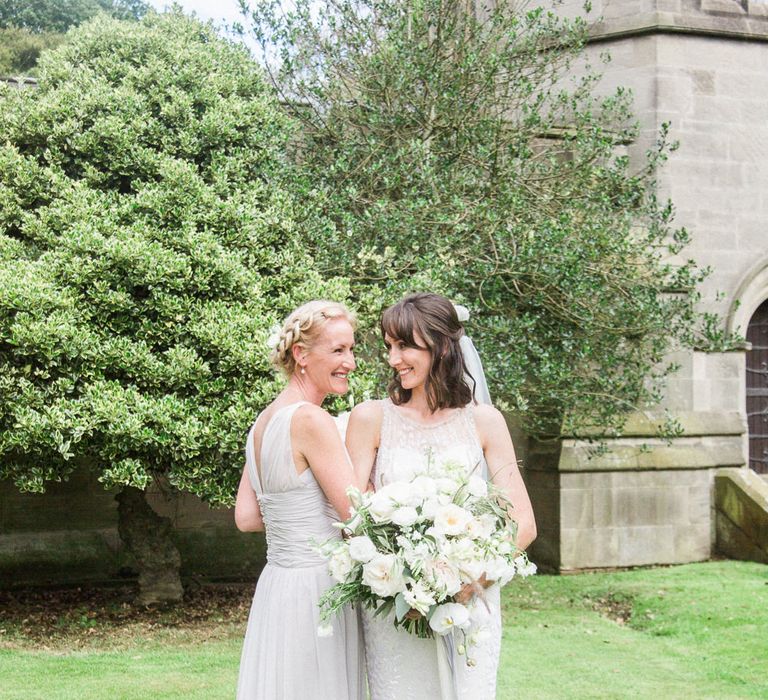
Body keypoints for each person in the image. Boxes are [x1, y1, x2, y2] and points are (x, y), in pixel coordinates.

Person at [346, 292, 536, 700]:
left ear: (441, 346)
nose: (394, 359)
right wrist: (398, 575)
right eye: (389, 347)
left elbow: (523, 522)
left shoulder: (484, 422)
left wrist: (470, 581)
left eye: (405, 346)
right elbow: (351, 518)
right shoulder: (371, 418)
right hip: (393, 607)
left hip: (470, 605)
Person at [235, 300, 366, 700]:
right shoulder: (310, 419)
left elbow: (247, 517)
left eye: (352, 349)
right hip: (318, 585)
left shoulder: (263, 421)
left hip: (278, 584)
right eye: (338, 350)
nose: (351, 363)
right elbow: (357, 518)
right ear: (301, 354)